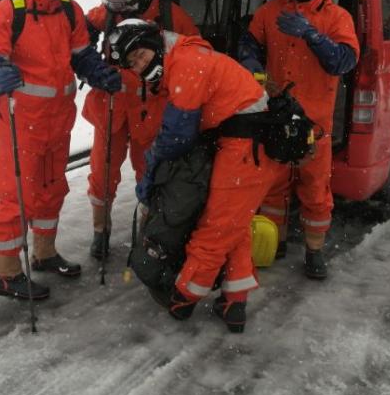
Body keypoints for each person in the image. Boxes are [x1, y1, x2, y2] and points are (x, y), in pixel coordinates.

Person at [108, 19, 287, 333]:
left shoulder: (187, 63)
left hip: (246, 149)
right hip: (241, 145)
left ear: (154, 43)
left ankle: (185, 297)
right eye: (132, 63)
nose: (139, 65)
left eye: (141, 55)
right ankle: (236, 299)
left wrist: (151, 169)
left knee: (215, 228)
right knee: (232, 223)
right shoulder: (183, 59)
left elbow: (177, 133)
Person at [0, 0, 121, 301]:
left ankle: (44, 253)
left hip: (59, 122)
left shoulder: (69, 10)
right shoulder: (9, 12)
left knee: (52, 189)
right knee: (17, 196)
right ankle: (6, 275)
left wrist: (96, 71)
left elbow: (80, 54)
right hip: (22, 125)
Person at [237, 0, 360, 280]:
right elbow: (249, 41)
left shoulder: (337, 17)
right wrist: (250, 60)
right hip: (275, 117)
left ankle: (314, 250)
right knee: (272, 188)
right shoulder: (270, 11)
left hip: (313, 124)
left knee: (315, 191)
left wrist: (313, 36)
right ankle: (272, 241)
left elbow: (344, 61)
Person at [83, 0, 198, 259]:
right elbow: (81, 30)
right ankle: (100, 231)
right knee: (101, 173)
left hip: (153, 108)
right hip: (111, 106)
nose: (113, 10)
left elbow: (199, 55)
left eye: (120, 6)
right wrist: (91, 66)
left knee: (151, 173)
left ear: (136, 0)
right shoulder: (111, 11)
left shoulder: (173, 18)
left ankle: (149, 230)